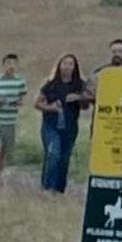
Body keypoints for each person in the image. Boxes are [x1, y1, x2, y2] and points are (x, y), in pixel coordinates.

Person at [35, 52, 94, 195]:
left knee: (64, 158)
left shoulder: (79, 85)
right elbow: (37, 103)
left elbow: (87, 105)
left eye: (70, 64)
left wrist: (79, 98)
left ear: (75, 67)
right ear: (59, 66)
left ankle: (58, 190)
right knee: (53, 153)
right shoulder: (50, 84)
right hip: (51, 126)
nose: (67, 67)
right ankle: (47, 188)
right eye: (64, 63)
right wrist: (50, 108)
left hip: (70, 127)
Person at [0, 52, 29, 180]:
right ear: (3, 65)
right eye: (8, 63)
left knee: (6, 151)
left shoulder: (20, 81)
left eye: (14, 64)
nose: (11, 66)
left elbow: (21, 99)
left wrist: (17, 102)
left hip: (10, 121)